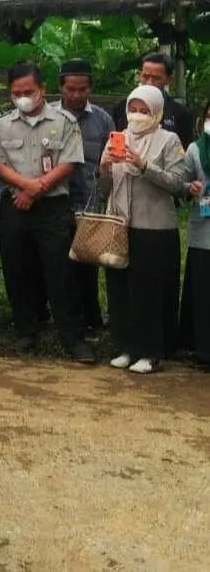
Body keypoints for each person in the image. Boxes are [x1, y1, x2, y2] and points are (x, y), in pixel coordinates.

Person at [0, 63, 93, 363]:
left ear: (42, 90)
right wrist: (26, 187)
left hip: (52, 207)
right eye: (16, 93)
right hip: (15, 204)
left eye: (28, 92)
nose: (23, 97)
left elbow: (69, 161)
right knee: (17, 268)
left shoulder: (64, 121)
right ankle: (26, 331)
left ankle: (72, 339)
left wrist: (38, 189)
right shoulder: (2, 125)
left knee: (60, 272)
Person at [101, 86, 186, 374]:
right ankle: (126, 347)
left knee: (148, 291)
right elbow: (104, 188)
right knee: (120, 289)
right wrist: (103, 167)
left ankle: (151, 352)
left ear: (157, 111)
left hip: (154, 227)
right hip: (120, 224)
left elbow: (177, 183)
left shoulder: (169, 139)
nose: (137, 115)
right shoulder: (118, 138)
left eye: (143, 110)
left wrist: (143, 164)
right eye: (133, 109)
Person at [50, 59, 115, 337]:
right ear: (60, 87)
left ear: (90, 88)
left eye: (82, 89)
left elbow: (109, 163)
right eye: (70, 89)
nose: (76, 95)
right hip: (53, 201)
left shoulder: (103, 119)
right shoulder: (48, 116)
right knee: (57, 262)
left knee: (87, 264)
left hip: (88, 203)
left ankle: (91, 319)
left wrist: (105, 197)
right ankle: (62, 318)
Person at [180, 103, 210, 369]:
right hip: (204, 232)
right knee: (203, 293)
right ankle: (203, 350)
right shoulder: (195, 150)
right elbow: (182, 186)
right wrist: (190, 187)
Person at [112, 52, 194, 148]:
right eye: (145, 77)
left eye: (156, 78)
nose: (150, 83)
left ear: (169, 79)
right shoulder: (121, 108)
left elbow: (182, 153)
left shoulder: (180, 113)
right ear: (139, 75)